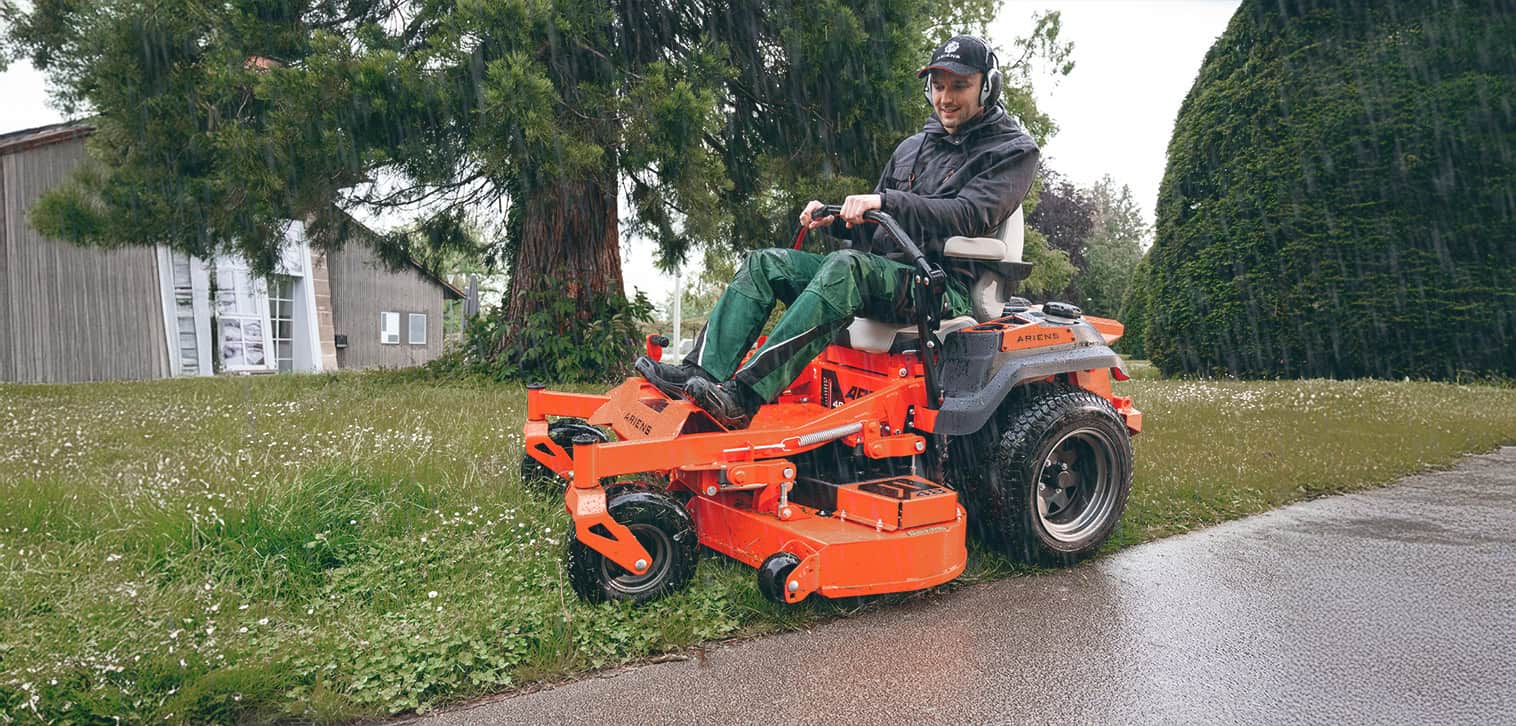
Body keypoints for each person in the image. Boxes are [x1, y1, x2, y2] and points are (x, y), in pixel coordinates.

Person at [637, 34, 1040, 429]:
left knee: (846, 267)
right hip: (879, 274)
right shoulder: (912, 148)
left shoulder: (1012, 150)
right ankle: (702, 373)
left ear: (987, 87)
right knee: (764, 264)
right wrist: (837, 222)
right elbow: (877, 233)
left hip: (938, 286)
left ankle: (743, 397)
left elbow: (969, 215)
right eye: (937, 86)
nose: (945, 98)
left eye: (960, 86)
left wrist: (883, 203)